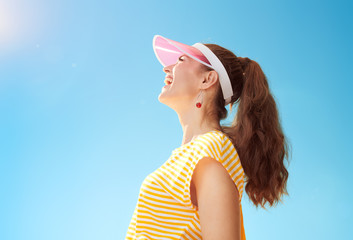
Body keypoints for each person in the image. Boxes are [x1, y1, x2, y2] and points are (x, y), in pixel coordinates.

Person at [125, 35, 290, 240]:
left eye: (181, 60)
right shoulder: (196, 153)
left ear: (207, 79)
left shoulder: (210, 151)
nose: (166, 68)